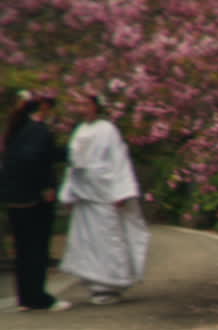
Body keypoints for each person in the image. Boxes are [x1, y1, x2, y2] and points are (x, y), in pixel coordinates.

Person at [57, 94, 150, 305]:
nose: (83, 108)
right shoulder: (79, 131)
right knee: (88, 240)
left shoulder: (107, 129)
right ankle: (95, 283)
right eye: (80, 104)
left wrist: (121, 192)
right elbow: (73, 165)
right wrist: (69, 194)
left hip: (104, 192)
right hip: (85, 194)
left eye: (86, 104)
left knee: (108, 237)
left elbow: (118, 160)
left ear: (96, 107)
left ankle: (112, 282)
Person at [1, 91, 70, 312]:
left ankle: (26, 296)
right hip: (34, 198)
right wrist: (46, 185)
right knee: (37, 248)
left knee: (22, 249)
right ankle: (38, 296)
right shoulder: (39, 131)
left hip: (14, 197)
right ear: (43, 108)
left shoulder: (15, 130)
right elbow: (40, 159)